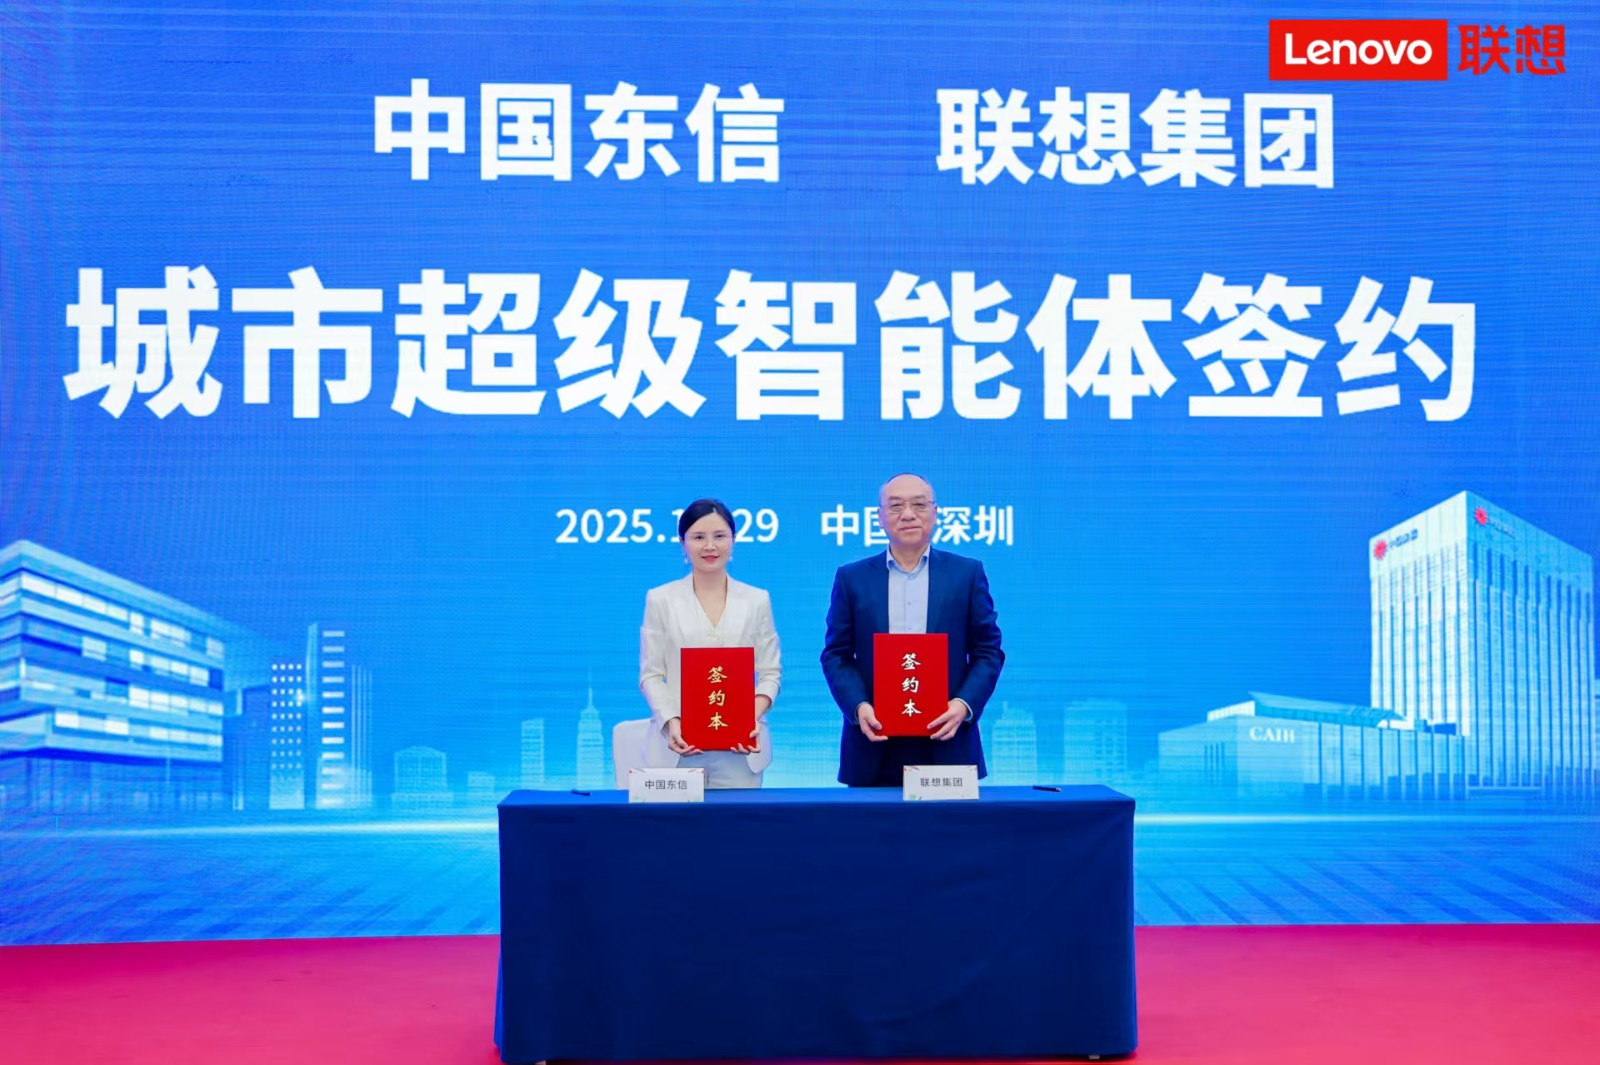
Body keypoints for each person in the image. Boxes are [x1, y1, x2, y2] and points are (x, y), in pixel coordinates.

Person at [821, 473, 1004, 787]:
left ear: (935, 512)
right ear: (879, 517)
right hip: (873, 741)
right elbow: (836, 655)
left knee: (950, 822)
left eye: (919, 505)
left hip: (948, 738)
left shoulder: (966, 573)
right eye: (895, 506)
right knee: (871, 821)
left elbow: (988, 651)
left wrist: (963, 705)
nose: (908, 514)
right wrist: (858, 707)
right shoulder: (852, 578)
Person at [638, 498, 781, 787]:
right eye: (698, 537)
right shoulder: (660, 599)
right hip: (677, 749)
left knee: (739, 818)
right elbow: (650, 675)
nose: (710, 546)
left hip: (741, 752)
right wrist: (671, 721)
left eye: (719, 536)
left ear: (733, 541)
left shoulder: (757, 600)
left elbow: (770, 674)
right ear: (683, 543)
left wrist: (749, 718)